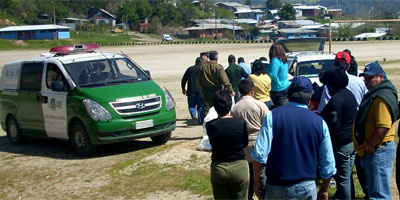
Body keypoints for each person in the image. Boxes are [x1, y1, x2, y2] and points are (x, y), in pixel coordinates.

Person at [251, 76, 336, 200]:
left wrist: (256, 181)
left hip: (276, 186)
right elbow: (328, 162)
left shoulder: (272, 117)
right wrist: (324, 189)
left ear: (289, 95)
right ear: (310, 98)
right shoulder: (319, 123)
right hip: (306, 187)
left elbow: (259, 154)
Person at [353, 62, 399, 200]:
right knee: (376, 191)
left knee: (379, 195)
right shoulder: (377, 93)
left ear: (380, 76)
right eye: (365, 78)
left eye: (370, 78)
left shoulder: (380, 98)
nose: (367, 81)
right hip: (378, 149)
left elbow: (383, 126)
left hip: (379, 149)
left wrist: (371, 145)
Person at [321, 67, 357, 199]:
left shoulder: (336, 99)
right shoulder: (349, 94)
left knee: (342, 180)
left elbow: (334, 124)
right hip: (351, 142)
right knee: (347, 177)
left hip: (341, 144)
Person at [206, 90, 249, 199]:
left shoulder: (210, 125)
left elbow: (212, 143)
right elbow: (245, 143)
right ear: (230, 106)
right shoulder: (240, 122)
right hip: (239, 166)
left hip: (219, 167)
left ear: (215, 107)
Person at [231, 79, 269, 200]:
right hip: (259, 143)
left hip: (242, 145)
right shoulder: (260, 105)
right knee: (260, 175)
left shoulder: (235, 108)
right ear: (252, 91)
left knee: (246, 176)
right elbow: (268, 124)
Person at [197, 50, 234, 118]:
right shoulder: (219, 67)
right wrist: (230, 90)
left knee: (207, 108)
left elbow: (199, 80)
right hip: (217, 91)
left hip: (206, 91)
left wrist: (202, 88)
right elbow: (225, 81)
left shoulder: (202, 67)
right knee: (218, 107)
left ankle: (207, 123)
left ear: (209, 57)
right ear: (217, 58)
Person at [181, 57, 204, 125]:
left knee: (191, 105)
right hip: (200, 91)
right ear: (202, 63)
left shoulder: (190, 69)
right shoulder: (203, 69)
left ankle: (194, 116)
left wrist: (183, 88)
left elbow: (184, 79)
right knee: (200, 106)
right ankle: (200, 121)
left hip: (191, 91)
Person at [267, 43, 290, 107]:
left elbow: (273, 75)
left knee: (280, 109)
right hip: (286, 85)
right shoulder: (284, 59)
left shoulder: (275, 61)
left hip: (277, 88)